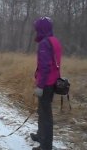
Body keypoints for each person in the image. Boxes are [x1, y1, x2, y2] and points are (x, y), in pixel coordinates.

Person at [31, 17, 62, 150]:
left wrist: (40, 86)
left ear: (41, 29)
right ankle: (40, 135)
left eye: (37, 28)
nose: (36, 30)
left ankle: (45, 146)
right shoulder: (54, 40)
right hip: (53, 81)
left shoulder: (44, 43)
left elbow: (45, 67)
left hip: (46, 84)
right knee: (42, 111)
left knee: (46, 116)